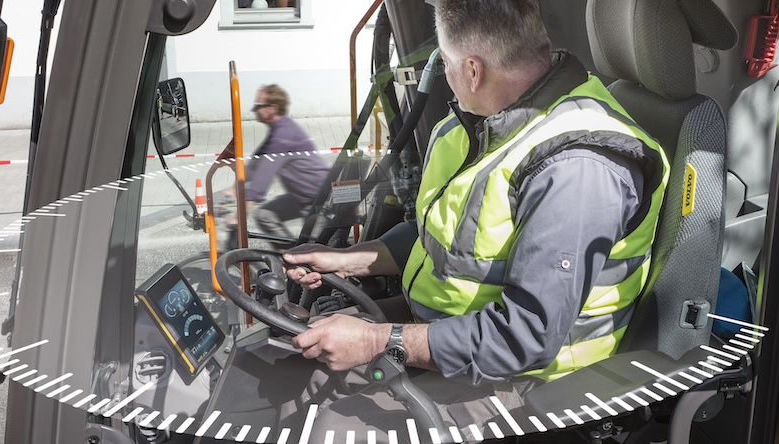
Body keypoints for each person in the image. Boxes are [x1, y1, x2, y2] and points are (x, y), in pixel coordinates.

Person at [283, 0, 670, 435]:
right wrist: (346, 260)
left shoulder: (578, 167)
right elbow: (450, 238)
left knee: (327, 427)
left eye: (443, 63)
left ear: (472, 71)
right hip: (452, 335)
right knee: (297, 370)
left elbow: (526, 338)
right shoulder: (489, 125)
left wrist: (375, 341)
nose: (443, 76)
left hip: (528, 385)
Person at [225, 84, 329, 250]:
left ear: (272, 108)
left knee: (313, 253)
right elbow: (255, 166)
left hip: (318, 201)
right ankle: (290, 255)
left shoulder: (284, 134)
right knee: (264, 215)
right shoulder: (277, 130)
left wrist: (238, 217)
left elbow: (262, 181)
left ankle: (295, 259)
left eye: (258, 106)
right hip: (300, 197)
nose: (254, 110)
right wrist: (232, 188)